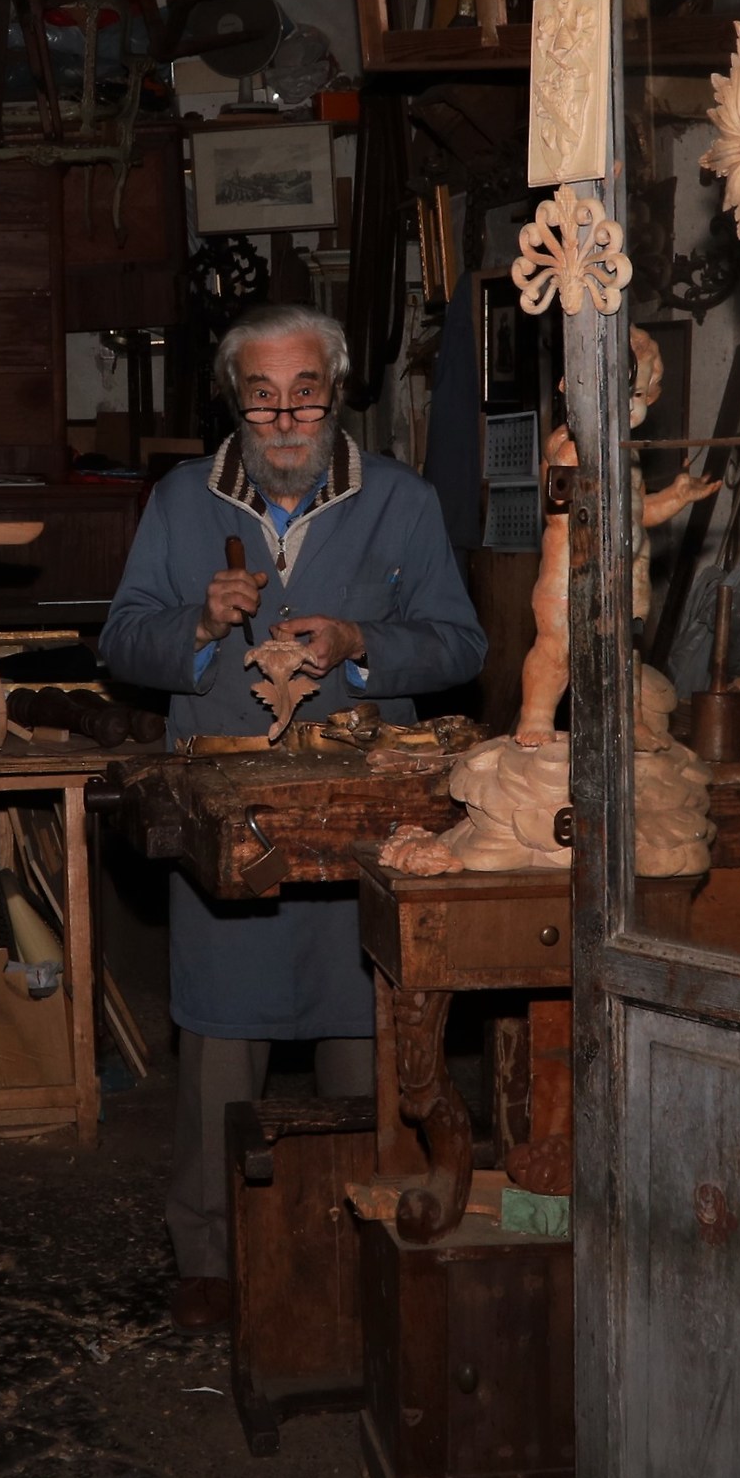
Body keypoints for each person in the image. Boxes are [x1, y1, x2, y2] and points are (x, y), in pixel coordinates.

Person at [101, 304, 487, 1330]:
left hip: (364, 816)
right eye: (262, 396)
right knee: (221, 1040)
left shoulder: (398, 500)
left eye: (304, 392)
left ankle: (360, 1237)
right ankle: (211, 1255)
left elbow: (460, 646)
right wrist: (196, 622)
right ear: (236, 400)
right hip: (232, 817)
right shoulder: (183, 502)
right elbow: (121, 643)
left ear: (338, 391)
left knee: (369, 1039)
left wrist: (362, 640)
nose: (284, 418)